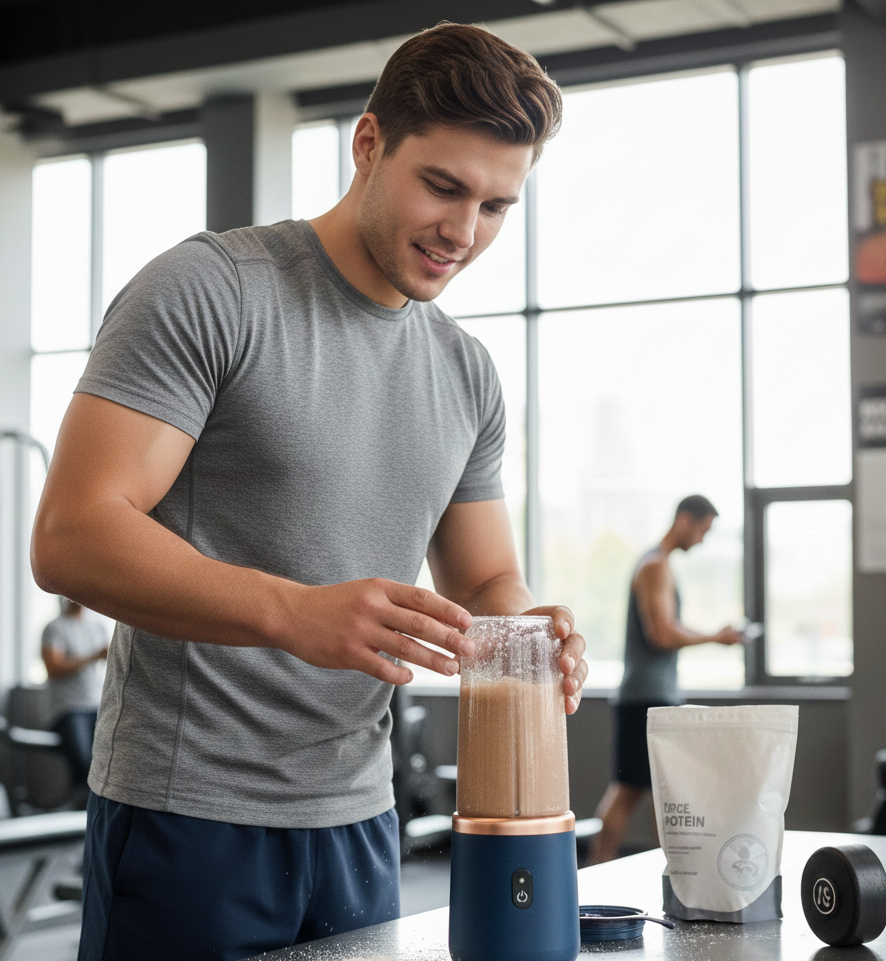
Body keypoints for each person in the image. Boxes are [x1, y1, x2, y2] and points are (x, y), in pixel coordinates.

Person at [30, 22, 588, 961]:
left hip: (361, 817)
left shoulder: (464, 371)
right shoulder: (213, 292)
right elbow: (74, 536)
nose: (464, 231)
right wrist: (292, 612)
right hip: (188, 811)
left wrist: (531, 631)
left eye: (496, 206)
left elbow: (487, 578)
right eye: (444, 186)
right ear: (368, 145)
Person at [589, 494, 742, 865]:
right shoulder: (655, 566)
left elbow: (668, 626)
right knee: (631, 792)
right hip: (647, 698)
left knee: (662, 792)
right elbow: (661, 633)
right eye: (702, 531)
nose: (702, 540)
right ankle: (595, 872)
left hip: (651, 696)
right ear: (685, 520)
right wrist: (714, 638)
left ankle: (677, 874)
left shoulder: (658, 564)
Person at [41, 597, 109, 805]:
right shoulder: (55, 628)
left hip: (96, 706)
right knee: (83, 761)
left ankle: (83, 807)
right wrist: (92, 656)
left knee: (105, 761)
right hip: (67, 709)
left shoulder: (97, 627)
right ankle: (80, 810)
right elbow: (53, 669)